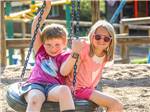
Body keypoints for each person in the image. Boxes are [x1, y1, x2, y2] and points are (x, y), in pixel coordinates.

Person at [19, 1, 75, 112]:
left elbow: (65, 71)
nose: (53, 48)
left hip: (53, 87)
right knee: (35, 99)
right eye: (48, 44)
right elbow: (35, 25)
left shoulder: (66, 55)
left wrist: (75, 53)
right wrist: (46, 8)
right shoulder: (41, 51)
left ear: (64, 43)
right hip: (35, 85)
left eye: (57, 44)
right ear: (43, 43)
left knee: (64, 90)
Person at [60, 20, 123, 112]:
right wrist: (75, 52)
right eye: (98, 37)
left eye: (106, 39)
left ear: (111, 41)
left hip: (88, 89)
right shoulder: (84, 48)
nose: (101, 40)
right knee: (116, 104)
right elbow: (65, 72)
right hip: (77, 89)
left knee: (117, 106)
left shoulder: (105, 55)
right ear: (92, 36)